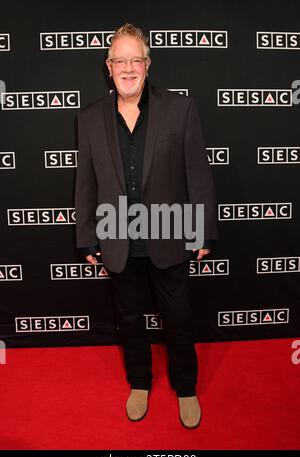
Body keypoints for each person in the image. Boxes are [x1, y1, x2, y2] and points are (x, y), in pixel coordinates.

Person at [75, 23, 218, 429]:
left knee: (178, 318)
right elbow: (85, 181)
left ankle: (186, 387)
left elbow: (198, 174)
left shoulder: (179, 109)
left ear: (148, 64)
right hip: (118, 240)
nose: (128, 67)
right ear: (108, 66)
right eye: (120, 60)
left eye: (135, 59)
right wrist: (87, 235)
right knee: (130, 319)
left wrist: (203, 230)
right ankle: (139, 382)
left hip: (170, 236)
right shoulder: (88, 118)